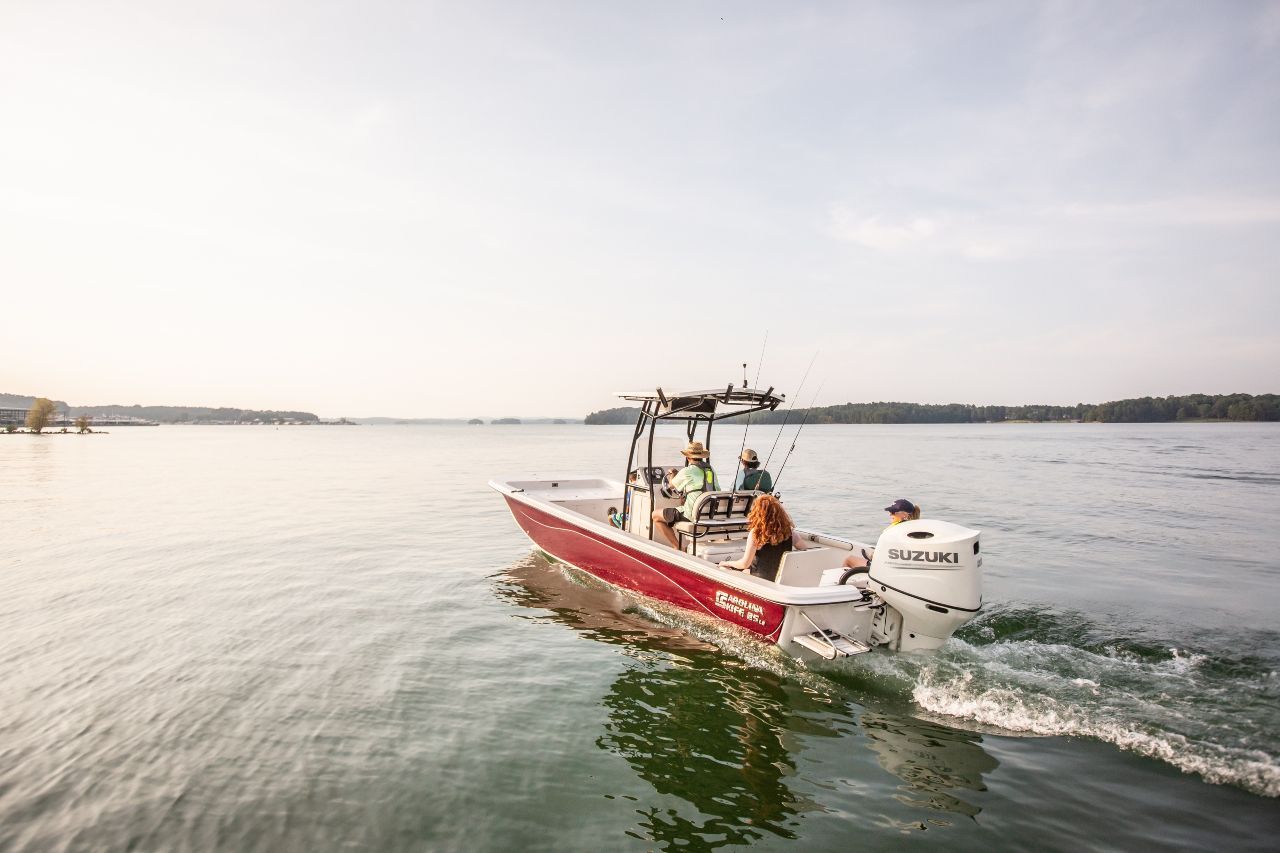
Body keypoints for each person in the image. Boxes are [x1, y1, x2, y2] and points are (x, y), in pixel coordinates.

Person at [718, 495, 809, 582]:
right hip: (780, 578)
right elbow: (806, 551)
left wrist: (727, 563)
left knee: (724, 568)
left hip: (760, 579)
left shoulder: (756, 534)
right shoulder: (790, 533)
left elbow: (745, 564)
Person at [651, 441, 719, 548]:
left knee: (655, 515)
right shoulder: (710, 470)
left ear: (688, 457)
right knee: (679, 507)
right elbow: (715, 489)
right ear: (702, 457)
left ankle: (677, 547)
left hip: (692, 514)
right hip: (709, 513)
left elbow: (671, 486)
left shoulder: (687, 471)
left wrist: (673, 473)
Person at [842, 498, 920, 570]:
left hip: (883, 569)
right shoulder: (915, 528)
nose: (890, 514)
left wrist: (872, 555)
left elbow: (878, 555)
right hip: (900, 568)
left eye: (893, 512)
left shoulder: (893, 530)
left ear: (905, 515)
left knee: (849, 559)